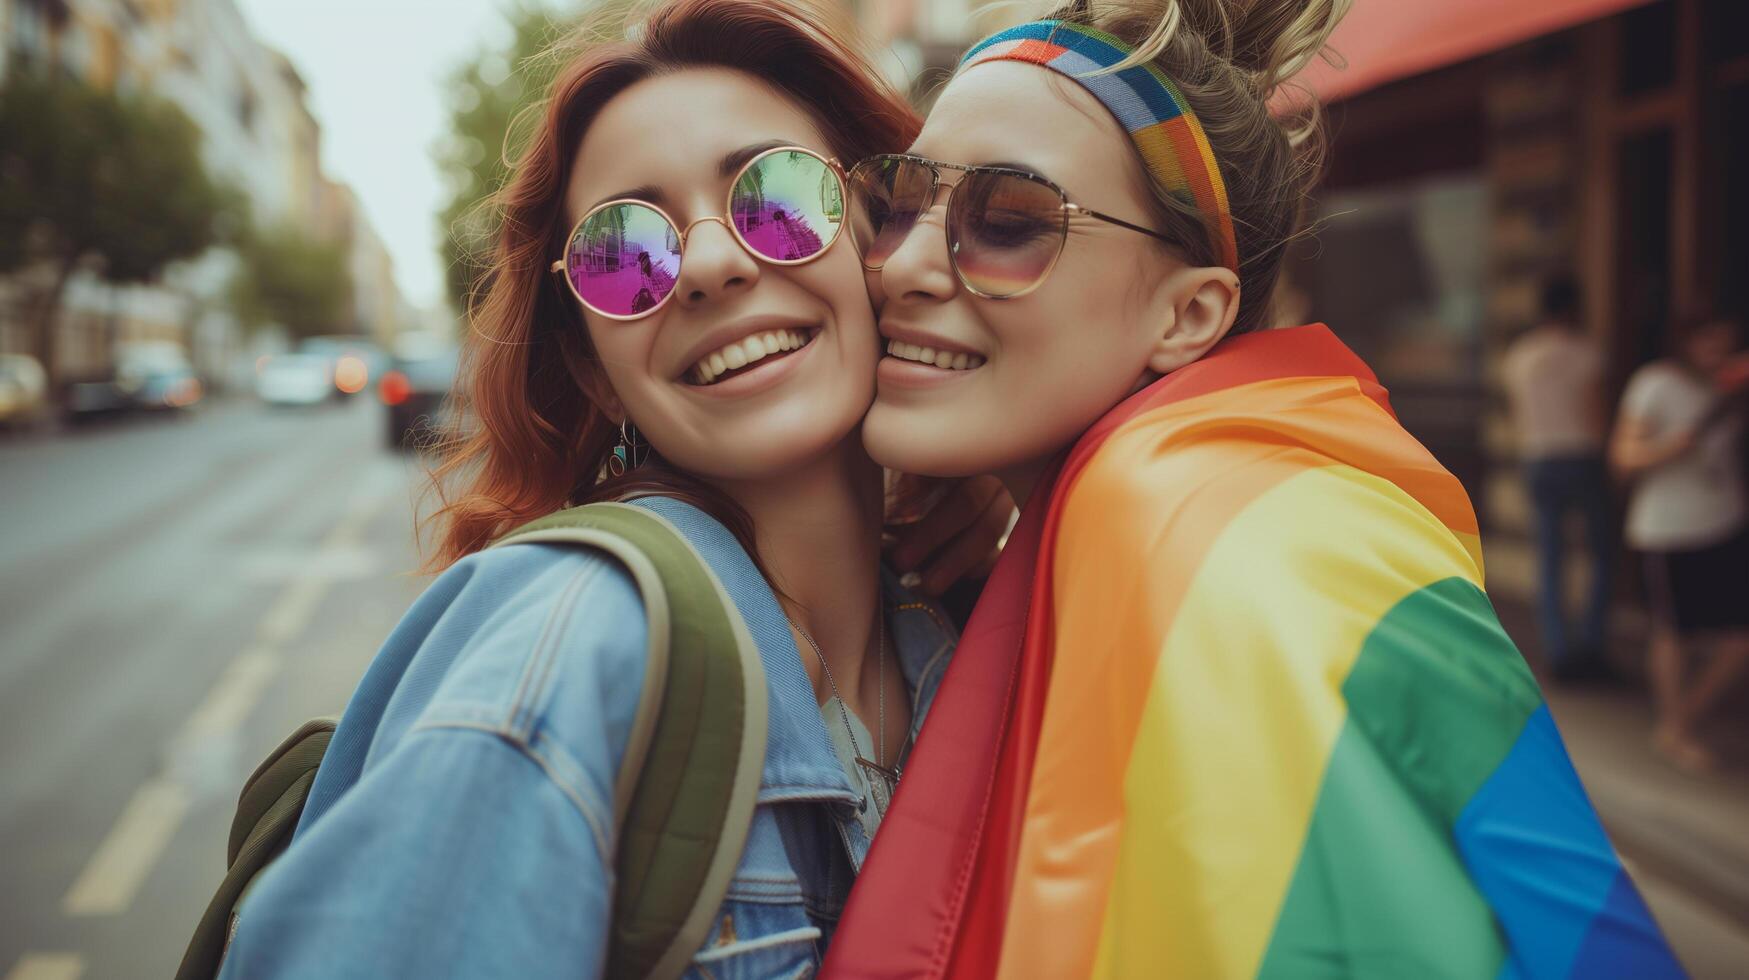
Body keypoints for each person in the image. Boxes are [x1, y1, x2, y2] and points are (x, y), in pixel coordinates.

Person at [827, 3, 1679, 977]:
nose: (900, 265)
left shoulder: (1200, 530)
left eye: (1011, 222)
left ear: (1188, 314)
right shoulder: (1163, 508)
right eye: (896, 203)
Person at [216, 2, 1008, 976]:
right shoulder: (567, 647)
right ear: (595, 367)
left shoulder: (969, 619)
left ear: (883, 238)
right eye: (624, 251)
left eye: (780, 195)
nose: (713, 264)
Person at [1612, 315, 1749, 772]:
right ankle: (1675, 727)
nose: (1716, 355)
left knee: (1737, 639)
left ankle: (1682, 718)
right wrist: (1676, 445)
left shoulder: (1729, 390)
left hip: (1724, 523)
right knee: (1674, 633)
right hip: (1668, 528)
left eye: (1725, 346)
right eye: (1709, 344)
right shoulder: (1655, 384)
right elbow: (1624, 459)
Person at [1502, 276, 1614, 679]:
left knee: (1550, 557)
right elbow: (1595, 413)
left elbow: (1518, 413)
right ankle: (1591, 643)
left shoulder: (1520, 355)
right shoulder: (1586, 352)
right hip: (1580, 454)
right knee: (1601, 554)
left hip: (1538, 456)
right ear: (1573, 308)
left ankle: (1557, 650)